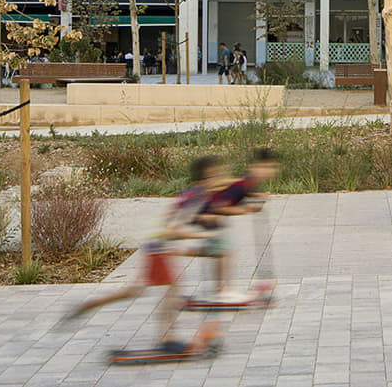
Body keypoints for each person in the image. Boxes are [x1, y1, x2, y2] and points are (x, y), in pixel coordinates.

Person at [70, 156, 226, 351]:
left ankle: (86, 306)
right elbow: (174, 228)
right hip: (159, 246)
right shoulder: (195, 197)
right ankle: (166, 339)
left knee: (136, 291)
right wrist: (203, 234)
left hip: (157, 245)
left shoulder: (194, 196)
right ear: (205, 179)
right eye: (215, 176)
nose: (219, 180)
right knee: (173, 288)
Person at [197, 148, 280, 302]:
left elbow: (244, 195)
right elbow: (220, 206)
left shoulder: (248, 183)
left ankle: (221, 288)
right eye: (266, 167)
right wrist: (247, 209)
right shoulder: (245, 183)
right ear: (255, 168)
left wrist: (257, 197)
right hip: (208, 216)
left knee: (223, 251)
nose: (269, 172)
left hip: (213, 217)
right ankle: (222, 290)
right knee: (224, 251)